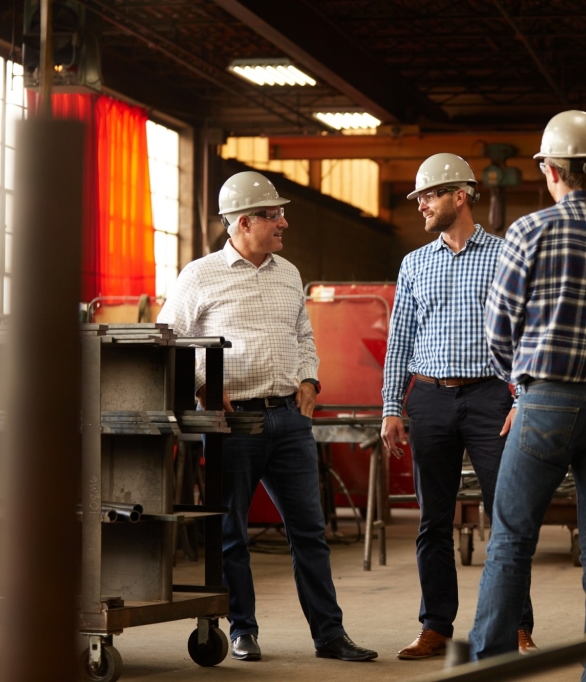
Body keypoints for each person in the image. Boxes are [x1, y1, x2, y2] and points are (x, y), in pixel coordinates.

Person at [468, 111, 586, 682]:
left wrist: (520, 386)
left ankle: (491, 665)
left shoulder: (530, 231)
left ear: (551, 170)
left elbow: (497, 328)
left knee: (511, 539)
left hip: (547, 400)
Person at [158, 171, 377, 664]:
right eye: (273, 215)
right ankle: (242, 629)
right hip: (234, 424)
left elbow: (303, 336)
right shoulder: (200, 276)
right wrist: (202, 386)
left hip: (289, 420)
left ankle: (330, 635)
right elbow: (168, 338)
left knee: (309, 532)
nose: (284, 222)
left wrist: (309, 379)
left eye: (280, 213)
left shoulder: (288, 273)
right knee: (232, 529)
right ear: (242, 222)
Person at [381, 153, 537, 660]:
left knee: (505, 515)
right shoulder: (414, 263)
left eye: (429, 195)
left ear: (460, 196)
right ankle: (436, 627)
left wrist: (523, 394)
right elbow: (399, 340)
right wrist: (391, 407)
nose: (422, 205)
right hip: (429, 398)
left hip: (491, 396)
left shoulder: (504, 254)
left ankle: (514, 624)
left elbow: (525, 332)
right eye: (420, 198)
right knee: (433, 520)